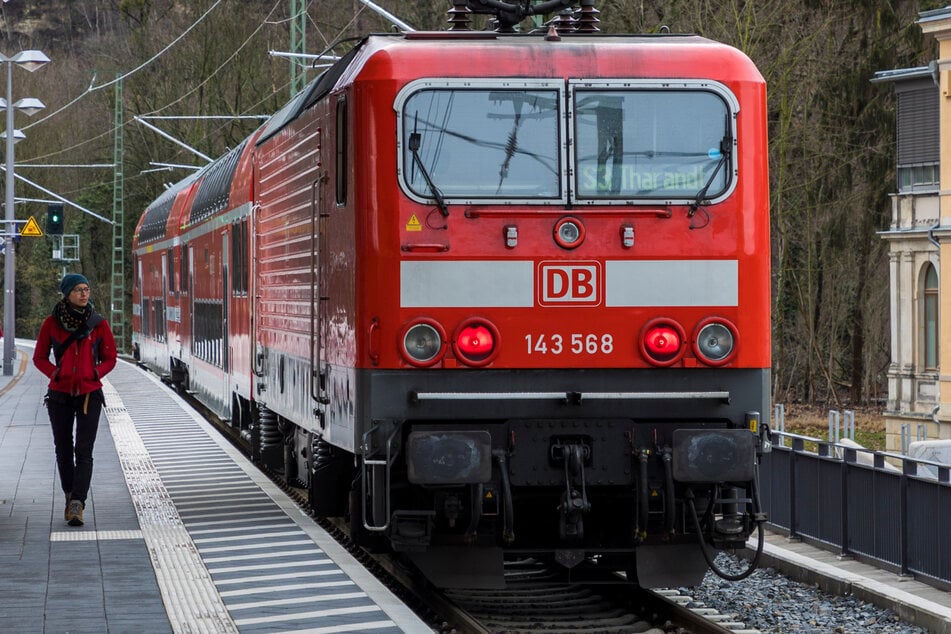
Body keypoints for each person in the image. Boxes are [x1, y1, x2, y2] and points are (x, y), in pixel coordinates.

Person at [33, 273, 117, 526]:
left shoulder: (98, 324)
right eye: (79, 290)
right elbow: (38, 357)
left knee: (84, 450)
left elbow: (110, 358)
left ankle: (78, 502)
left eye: (87, 289)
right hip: (59, 395)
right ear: (67, 293)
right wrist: (55, 373)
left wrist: (95, 373)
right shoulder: (51, 323)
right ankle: (69, 495)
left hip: (89, 394)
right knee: (63, 449)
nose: (84, 294)